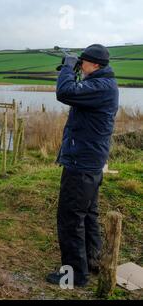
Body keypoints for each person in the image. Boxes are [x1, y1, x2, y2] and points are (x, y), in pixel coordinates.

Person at [47, 44, 119, 287]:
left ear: (95, 64)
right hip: (89, 162)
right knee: (87, 214)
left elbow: (64, 92)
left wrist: (67, 68)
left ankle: (74, 275)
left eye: (83, 62)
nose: (80, 65)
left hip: (82, 164)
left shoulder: (101, 87)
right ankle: (92, 260)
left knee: (69, 217)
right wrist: (75, 70)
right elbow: (74, 91)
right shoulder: (100, 85)